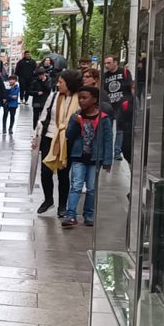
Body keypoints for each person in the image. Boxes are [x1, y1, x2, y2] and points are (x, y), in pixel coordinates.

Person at [62, 85, 113, 229]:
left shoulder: (103, 118)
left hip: (94, 159)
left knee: (91, 187)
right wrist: (77, 124)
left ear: (94, 100)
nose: (81, 101)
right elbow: (68, 136)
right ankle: (71, 214)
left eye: (85, 98)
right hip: (78, 156)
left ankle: (89, 214)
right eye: (80, 98)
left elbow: (108, 140)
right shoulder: (76, 116)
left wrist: (108, 160)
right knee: (76, 185)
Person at [35, 69, 82, 218]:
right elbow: (43, 117)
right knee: (45, 172)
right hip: (50, 137)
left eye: (61, 82)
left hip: (67, 139)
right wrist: (36, 137)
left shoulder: (79, 98)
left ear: (70, 84)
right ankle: (48, 199)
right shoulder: (54, 96)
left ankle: (62, 205)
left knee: (63, 174)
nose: (58, 84)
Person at [102, 55, 134, 161]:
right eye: (105, 63)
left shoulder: (124, 72)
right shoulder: (105, 76)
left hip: (122, 105)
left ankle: (117, 151)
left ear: (115, 62)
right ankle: (107, 151)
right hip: (109, 105)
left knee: (120, 129)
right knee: (108, 129)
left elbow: (130, 86)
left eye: (109, 63)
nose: (106, 65)